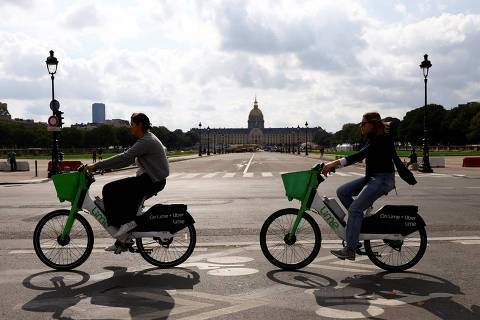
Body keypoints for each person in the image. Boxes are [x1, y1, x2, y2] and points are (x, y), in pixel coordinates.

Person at [84, 113, 169, 252]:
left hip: (152, 181)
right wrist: (104, 166)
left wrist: (96, 166)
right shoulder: (146, 139)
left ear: (139, 125)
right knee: (117, 193)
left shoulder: (146, 141)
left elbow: (124, 158)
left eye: (132, 124)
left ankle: (126, 226)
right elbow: (127, 159)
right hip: (151, 179)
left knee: (109, 189)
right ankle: (123, 239)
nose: (130, 127)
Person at [321, 112, 396, 261]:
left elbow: (358, 156)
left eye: (363, 124)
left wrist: (333, 163)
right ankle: (357, 225)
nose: (360, 126)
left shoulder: (379, 140)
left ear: (372, 125)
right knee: (342, 192)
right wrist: (335, 167)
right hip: (373, 177)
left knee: (355, 209)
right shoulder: (373, 139)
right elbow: (359, 155)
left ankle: (350, 248)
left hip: (382, 180)